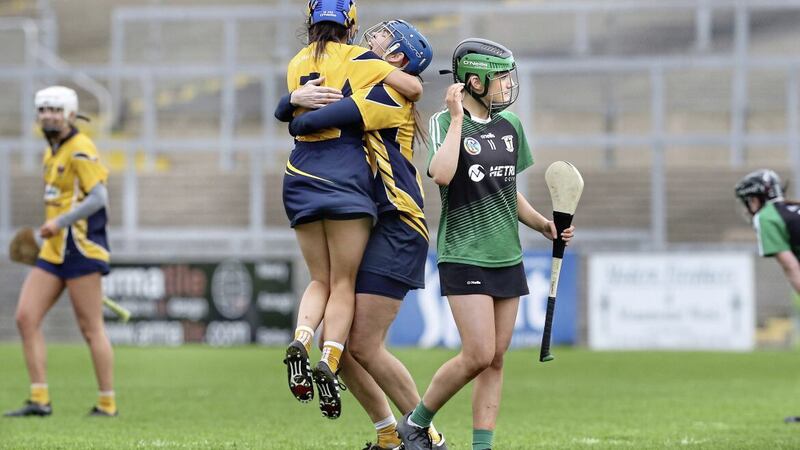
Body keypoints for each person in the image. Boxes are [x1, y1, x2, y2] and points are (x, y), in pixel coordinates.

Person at [397, 39, 575, 450]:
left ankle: (482, 447)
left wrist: (543, 225)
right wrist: (459, 119)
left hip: (506, 255)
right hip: (464, 253)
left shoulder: (510, 126)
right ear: (473, 81)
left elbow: (507, 192)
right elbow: (440, 174)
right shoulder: (446, 121)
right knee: (477, 354)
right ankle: (417, 421)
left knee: (495, 360)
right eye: (500, 79)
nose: (507, 86)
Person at [286, 20, 446, 449]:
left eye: (381, 39)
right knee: (333, 343)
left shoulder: (386, 91)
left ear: (396, 58)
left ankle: (428, 436)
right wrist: (293, 98)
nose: (370, 38)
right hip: (376, 219)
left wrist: (292, 108)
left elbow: (308, 124)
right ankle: (389, 436)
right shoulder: (369, 77)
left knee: (363, 345)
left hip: (399, 223)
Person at [4, 86, 117, 418]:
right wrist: (52, 230)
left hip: (81, 248)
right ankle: (39, 399)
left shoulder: (81, 148)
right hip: (52, 252)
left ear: (70, 114)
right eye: (43, 110)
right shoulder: (50, 151)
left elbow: (99, 198)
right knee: (26, 318)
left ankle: (107, 403)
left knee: (90, 327)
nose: (48, 115)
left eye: (55, 109)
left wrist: (61, 222)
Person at [734, 169, 800, 424]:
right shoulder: (791, 210)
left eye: (747, 201)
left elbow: (791, 266)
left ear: (756, 199)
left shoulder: (767, 217)